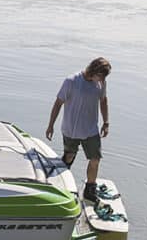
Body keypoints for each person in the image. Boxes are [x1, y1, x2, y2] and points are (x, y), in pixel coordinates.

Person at [45, 57, 111, 204]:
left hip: (90, 130)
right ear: (93, 70)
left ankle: (89, 190)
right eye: (101, 75)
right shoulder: (72, 81)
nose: (102, 80)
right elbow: (58, 103)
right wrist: (51, 125)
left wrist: (106, 122)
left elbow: (103, 100)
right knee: (69, 157)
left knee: (95, 159)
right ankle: (58, 185)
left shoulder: (100, 83)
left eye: (104, 77)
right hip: (71, 129)